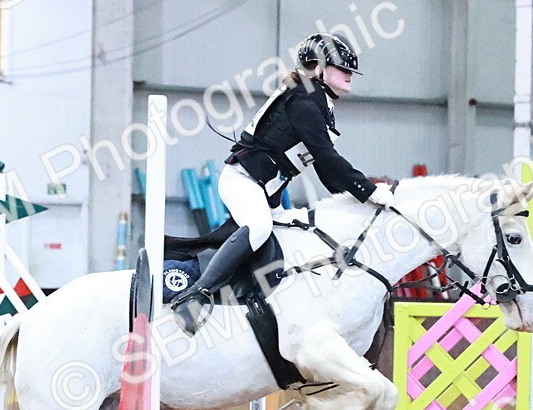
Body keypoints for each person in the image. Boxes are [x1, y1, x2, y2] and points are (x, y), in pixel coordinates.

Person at [169, 32, 396, 335]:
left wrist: (359, 205)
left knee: (302, 228)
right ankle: (195, 295)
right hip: (242, 180)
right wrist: (368, 191)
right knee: (260, 228)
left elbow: (327, 174)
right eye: (343, 69)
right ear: (319, 68)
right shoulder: (303, 101)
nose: (349, 75)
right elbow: (328, 158)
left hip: (265, 191)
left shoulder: (321, 104)